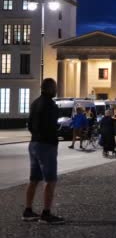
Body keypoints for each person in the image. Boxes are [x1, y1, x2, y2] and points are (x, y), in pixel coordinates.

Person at [23, 78, 65, 224]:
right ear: (49, 89)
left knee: (33, 179)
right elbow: (52, 125)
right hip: (46, 145)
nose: (56, 90)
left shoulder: (35, 103)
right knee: (50, 180)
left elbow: (29, 124)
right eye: (55, 87)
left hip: (34, 143)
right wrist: (53, 137)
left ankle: (27, 211)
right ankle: (46, 213)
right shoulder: (51, 105)